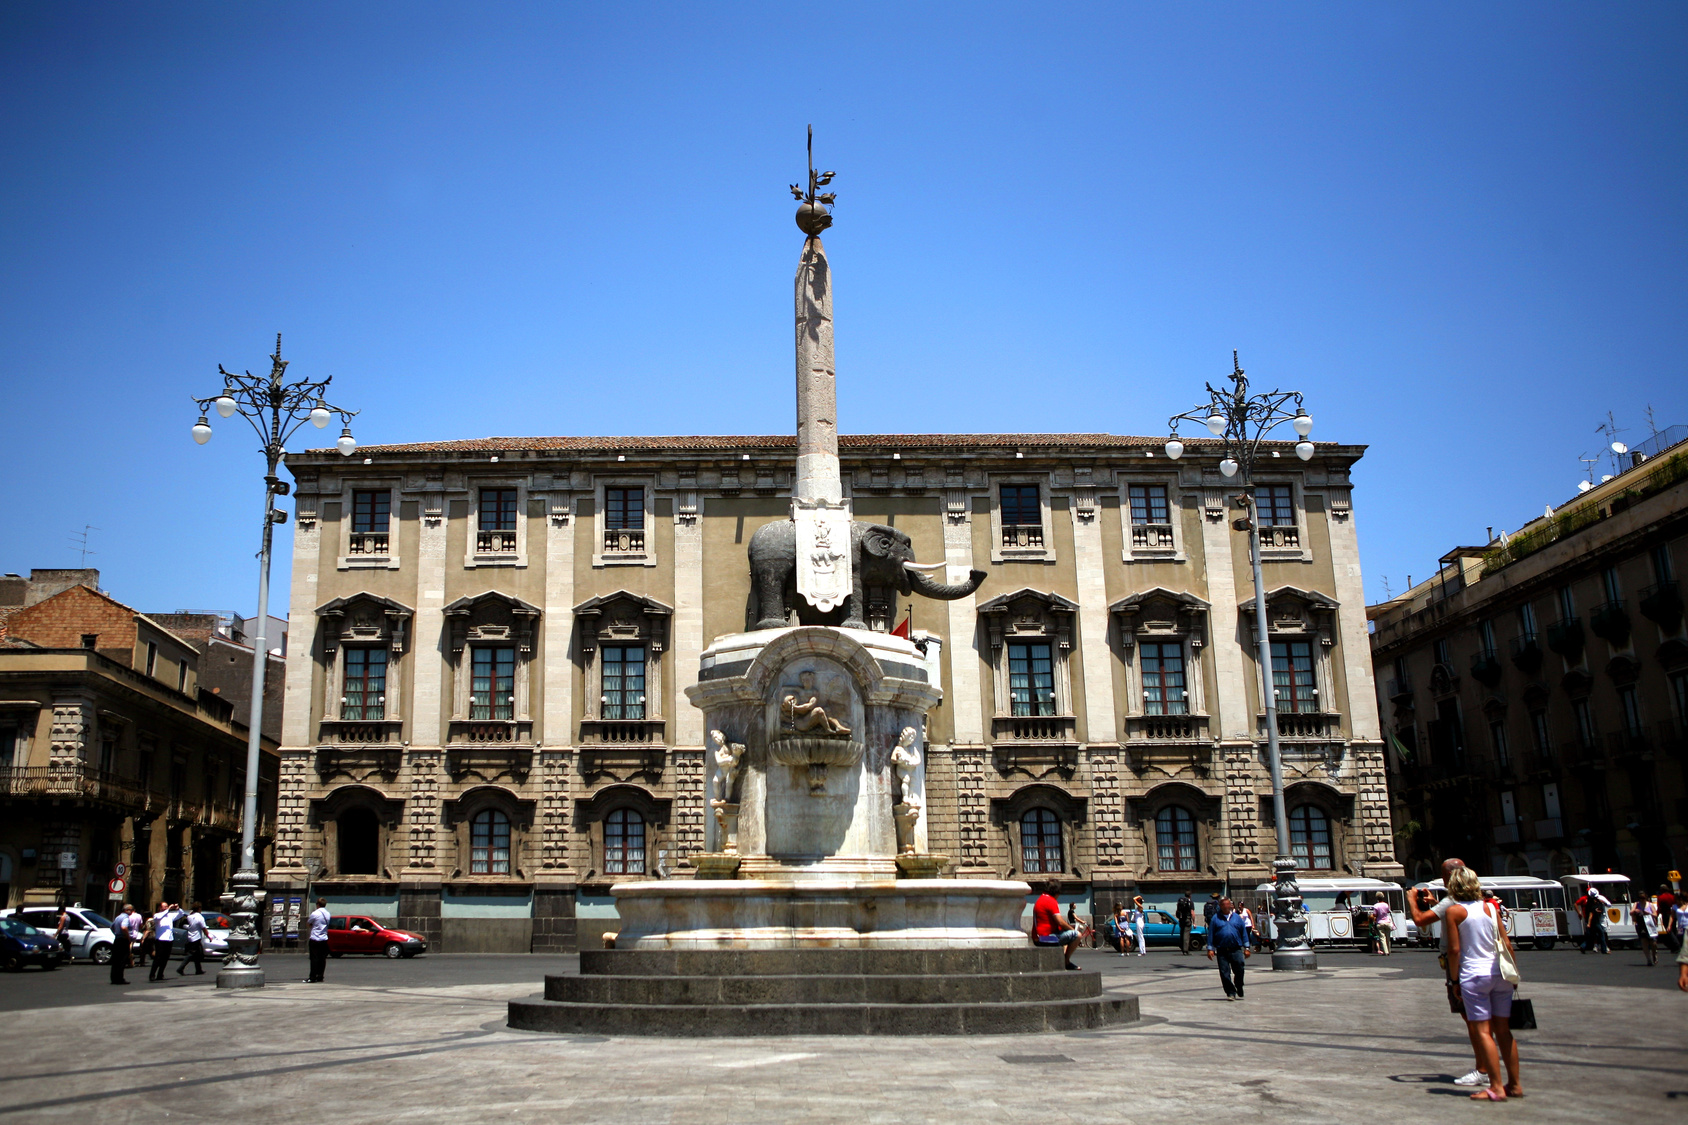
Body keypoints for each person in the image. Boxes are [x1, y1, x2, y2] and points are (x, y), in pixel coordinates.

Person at [1407, 857, 1490, 1089]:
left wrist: (1412, 901)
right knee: (1486, 1021)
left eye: (1444, 876)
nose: (1443, 881)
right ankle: (1492, 1070)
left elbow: (1420, 920)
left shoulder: (1452, 901)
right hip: (1487, 964)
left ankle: (1482, 1070)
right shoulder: (1479, 901)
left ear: (1451, 876)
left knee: (1472, 1020)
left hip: (1463, 967)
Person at [1444, 867, 1522, 1101]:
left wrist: (1454, 980)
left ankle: (1496, 1088)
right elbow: (1507, 944)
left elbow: (1454, 950)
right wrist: (1514, 974)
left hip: (1474, 975)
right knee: (1504, 1030)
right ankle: (1515, 1085)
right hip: (1499, 973)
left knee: (1483, 1032)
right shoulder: (1490, 907)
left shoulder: (1454, 912)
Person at [1205, 897, 1251, 1000]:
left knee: (1240, 969)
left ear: (1230, 905)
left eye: (1227, 904)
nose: (1226, 906)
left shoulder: (1237, 918)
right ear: (1220, 906)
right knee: (1224, 973)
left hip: (1236, 949)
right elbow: (1211, 934)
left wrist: (1247, 947)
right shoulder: (1215, 918)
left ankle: (1239, 985)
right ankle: (1230, 992)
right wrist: (1210, 949)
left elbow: (1243, 932)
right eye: (1223, 905)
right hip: (1222, 950)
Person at [1031, 883, 1082, 971]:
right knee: (1077, 935)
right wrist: (1072, 929)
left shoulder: (1040, 899)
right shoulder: (1050, 901)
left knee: (1065, 935)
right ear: (1056, 892)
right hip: (1047, 937)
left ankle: (1062, 959)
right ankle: (1066, 962)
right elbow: (1060, 922)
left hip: (1038, 936)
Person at [176, 902, 208, 976]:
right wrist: (208, 936)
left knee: (197, 954)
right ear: (199, 909)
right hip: (196, 937)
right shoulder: (200, 917)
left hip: (190, 936)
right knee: (191, 954)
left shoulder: (190, 917)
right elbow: (204, 928)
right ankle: (181, 968)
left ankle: (198, 969)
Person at [148, 903, 177, 981]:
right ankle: (152, 974)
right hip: (160, 939)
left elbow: (180, 914)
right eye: (164, 906)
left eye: (167, 906)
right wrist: (168, 909)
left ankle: (160, 974)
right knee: (158, 958)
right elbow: (159, 917)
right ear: (160, 908)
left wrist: (178, 908)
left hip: (169, 939)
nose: (166, 908)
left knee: (165, 958)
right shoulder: (157, 915)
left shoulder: (170, 916)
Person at [110, 903, 137, 985]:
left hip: (117, 939)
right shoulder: (125, 918)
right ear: (126, 910)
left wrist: (116, 934)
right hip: (123, 940)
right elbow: (124, 927)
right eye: (130, 910)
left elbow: (112, 927)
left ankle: (114, 978)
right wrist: (128, 937)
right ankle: (119, 979)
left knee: (116, 960)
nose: (132, 912)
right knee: (122, 960)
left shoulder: (118, 917)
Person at [306, 897, 332, 982]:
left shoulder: (315, 913)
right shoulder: (327, 914)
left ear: (317, 904)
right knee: (322, 959)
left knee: (314, 958)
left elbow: (309, 923)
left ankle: (312, 977)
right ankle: (320, 976)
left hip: (315, 938)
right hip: (324, 938)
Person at [1581, 884, 1611, 954]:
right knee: (1601, 934)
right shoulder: (1592, 904)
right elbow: (1591, 913)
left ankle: (1584, 945)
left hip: (1594, 920)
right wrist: (1589, 923)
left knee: (1592, 935)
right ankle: (1604, 949)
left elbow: (1608, 904)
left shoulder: (1588, 901)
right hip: (1595, 921)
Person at [1632, 893, 1660, 967]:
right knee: (1644, 942)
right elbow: (1631, 912)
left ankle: (1654, 954)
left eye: (1643, 898)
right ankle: (1648, 959)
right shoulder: (1636, 904)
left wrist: (1649, 913)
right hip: (1641, 925)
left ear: (1646, 898)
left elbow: (1655, 914)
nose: (1642, 900)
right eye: (1640, 898)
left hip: (1650, 925)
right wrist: (1635, 910)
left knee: (1653, 943)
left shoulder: (1650, 905)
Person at [1371, 891, 1393, 956]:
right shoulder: (1386, 904)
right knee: (1388, 938)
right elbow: (1388, 911)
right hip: (1387, 922)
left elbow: (1374, 914)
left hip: (1380, 922)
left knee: (1382, 938)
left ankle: (1385, 951)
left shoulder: (1376, 905)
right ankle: (1389, 950)